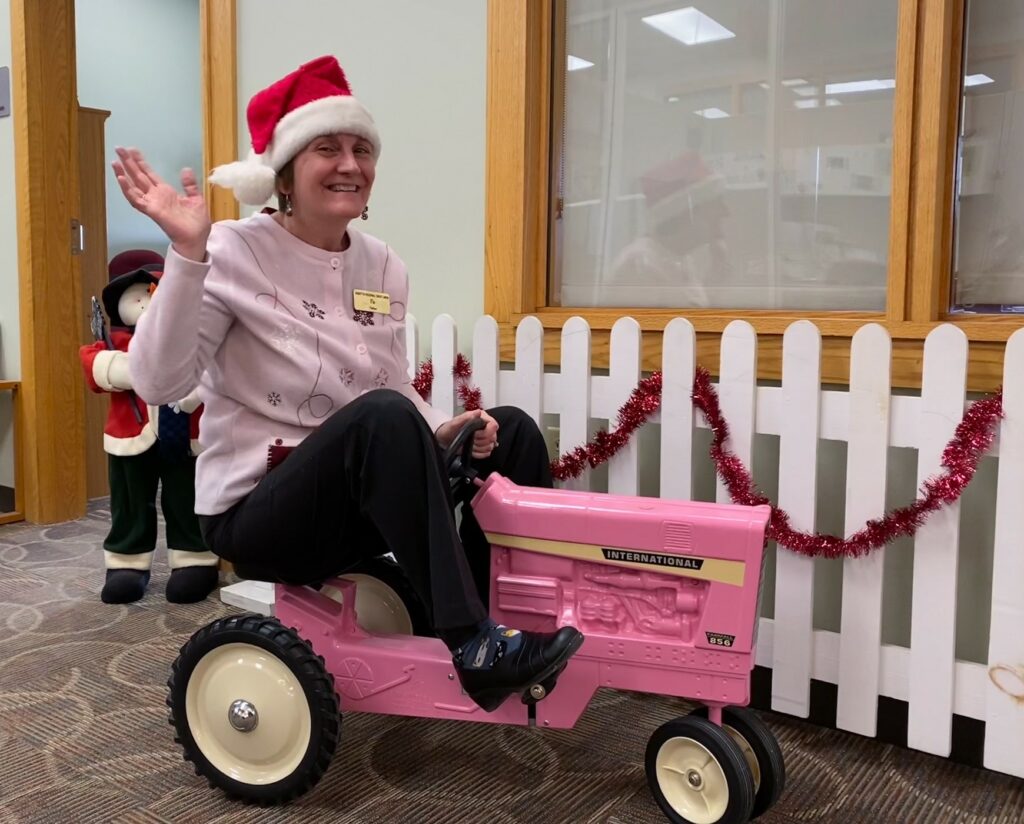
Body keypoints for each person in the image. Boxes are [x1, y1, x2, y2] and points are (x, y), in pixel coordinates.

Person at [113, 55, 582, 712]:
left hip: (355, 500)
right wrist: (188, 254)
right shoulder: (230, 252)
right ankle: (472, 643)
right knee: (385, 417)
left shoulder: (383, 263)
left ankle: (505, 623)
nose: (350, 164)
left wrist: (442, 426)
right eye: (326, 147)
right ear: (282, 172)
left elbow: (388, 382)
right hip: (257, 511)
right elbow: (160, 383)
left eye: (362, 148)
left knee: (510, 429)